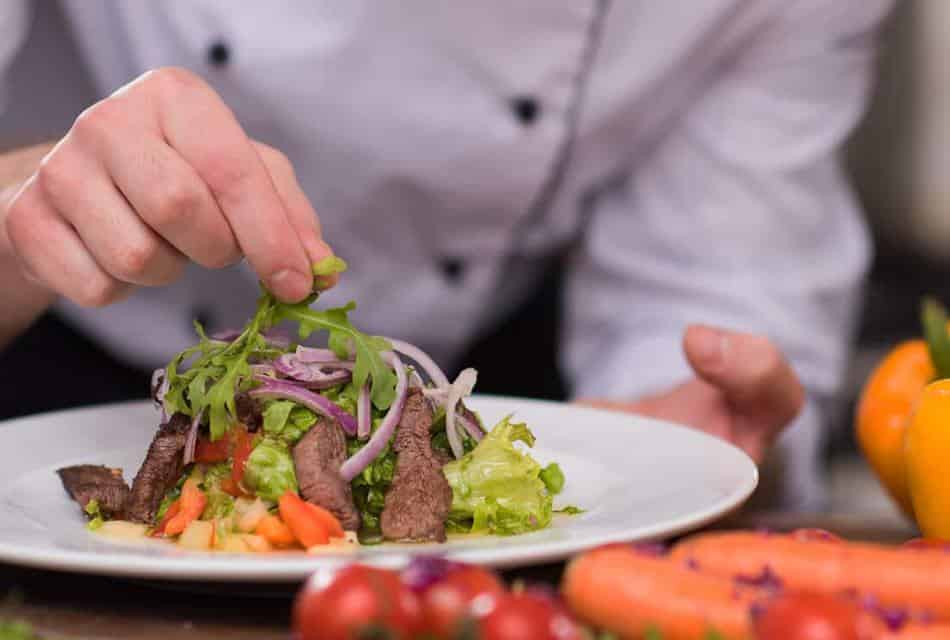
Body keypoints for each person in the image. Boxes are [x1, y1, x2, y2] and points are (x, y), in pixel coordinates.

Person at [0, 1, 893, 510]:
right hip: (49, 362)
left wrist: (687, 442)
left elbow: (709, 287)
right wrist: (21, 214)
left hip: (491, 402)